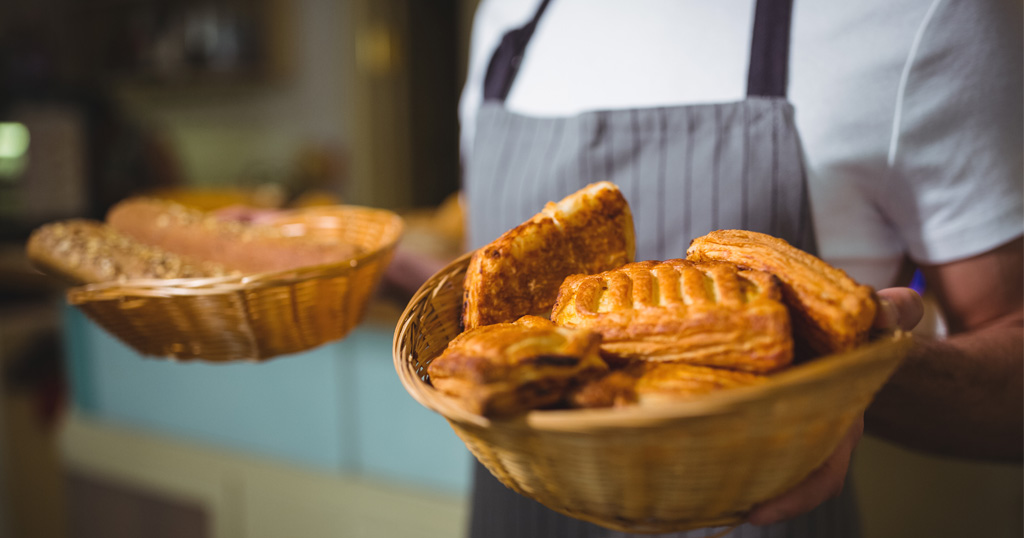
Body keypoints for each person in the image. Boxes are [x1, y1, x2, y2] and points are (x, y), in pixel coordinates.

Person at [425, 0, 1021, 537]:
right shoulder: (509, 16)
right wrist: (401, 279)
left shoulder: (920, 14)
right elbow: (488, 299)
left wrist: (855, 375)